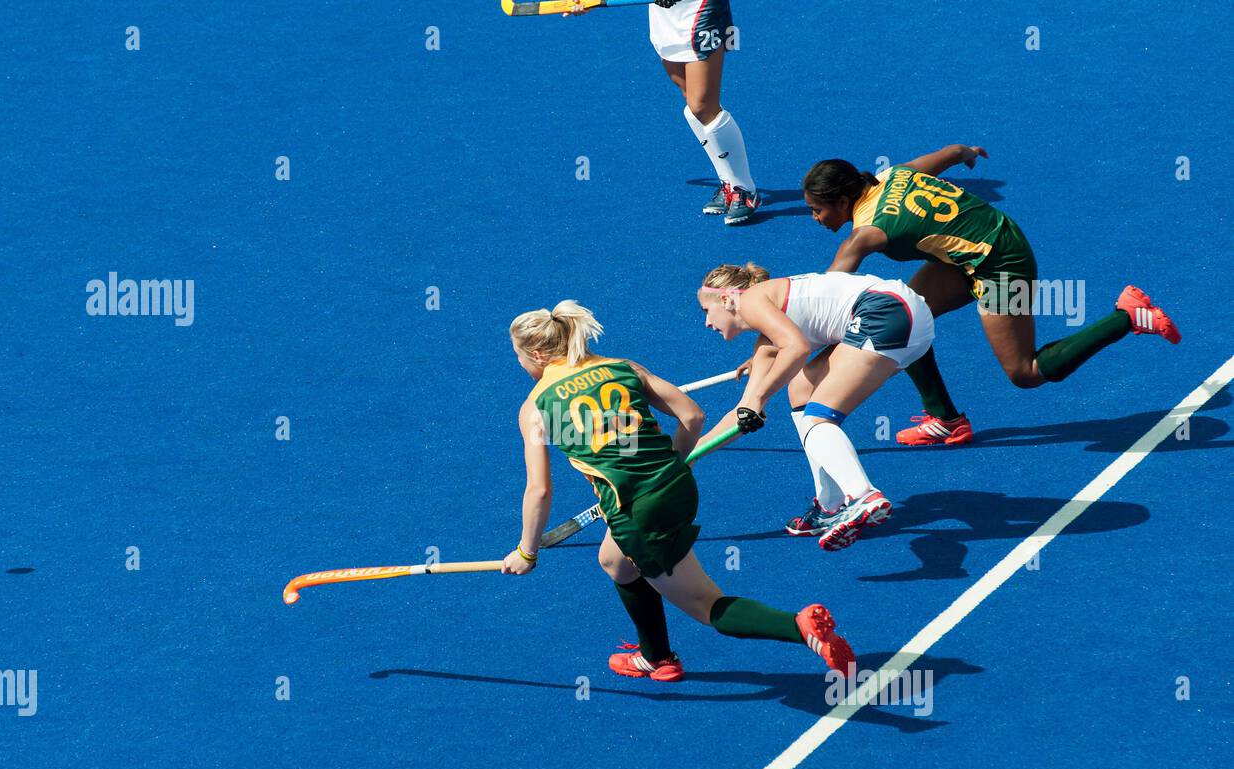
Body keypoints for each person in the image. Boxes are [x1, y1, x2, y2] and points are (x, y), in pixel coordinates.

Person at [503, 299, 855, 681]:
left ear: (537, 354)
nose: (520, 365)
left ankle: (800, 628)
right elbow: (692, 415)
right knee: (614, 560)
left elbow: (539, 491)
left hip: (638, 510)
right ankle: (656, 656)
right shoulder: (622, 367)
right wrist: (667, 466)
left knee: (707, 604)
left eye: (519, 357)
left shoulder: (536, 406)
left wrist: (527, 551)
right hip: (677, 485)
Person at [802, 146, 1181, 446]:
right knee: (904, 316)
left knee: (1024, 372)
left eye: (817, 209)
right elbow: (947, 153)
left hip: (1002, 264)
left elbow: (827, 294)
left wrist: (788, 346)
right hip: (979, 246)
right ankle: (947, 421)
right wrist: (966, 152)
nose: (815, 219)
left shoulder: (867, 233)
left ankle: (1126, 316)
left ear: (843, 199)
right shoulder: (893, 175)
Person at [699, 262, 935, 549]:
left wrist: (759, 398)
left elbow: (796, 349)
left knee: (817, 418)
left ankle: (862, 495)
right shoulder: (768, 339)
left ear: (726, 299)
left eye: (706, 312)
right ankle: (830, 504)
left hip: (887, 310)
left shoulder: (750, 300)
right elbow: (743, 411)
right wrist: (689, 455)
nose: (707, 323)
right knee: (801, 391)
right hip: (907, 319)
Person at [566, 0, 760, 223]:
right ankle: (728, 182)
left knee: (701, 105)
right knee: (690, 97)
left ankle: (745, 189)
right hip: (665, 13)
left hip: (700, 9)